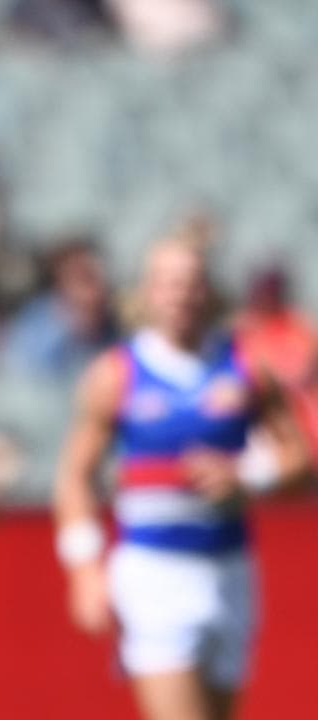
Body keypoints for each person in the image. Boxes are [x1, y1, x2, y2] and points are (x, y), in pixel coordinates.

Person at [54, 236, 311, 720]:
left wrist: (249, 476)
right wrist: (84, 566)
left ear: (210, 291)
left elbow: (298, 459)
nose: (180, 295)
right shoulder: (117, 374)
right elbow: (74, 476)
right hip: (153, 575)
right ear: (148, 292)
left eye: (192, 283)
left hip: (230, 572)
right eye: (168, 283)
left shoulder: (249, 366)